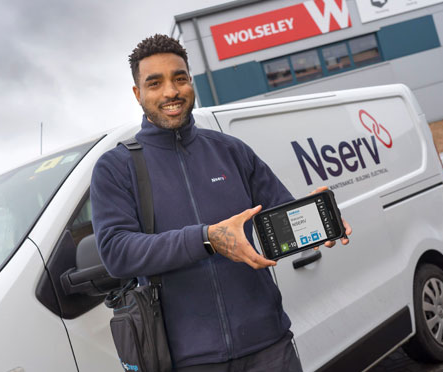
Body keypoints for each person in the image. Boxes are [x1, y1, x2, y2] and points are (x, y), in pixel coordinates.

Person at [90, 34, 351, 371]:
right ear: (138, 94)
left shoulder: (231, 150)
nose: (171, 91)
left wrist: (317, 221)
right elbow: (116, 252)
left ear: (190, 83)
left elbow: (279, 211)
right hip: (188, 361)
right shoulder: (115, 168)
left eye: (179, 78)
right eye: (155, 83)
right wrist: (207, 238)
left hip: (270, 347)